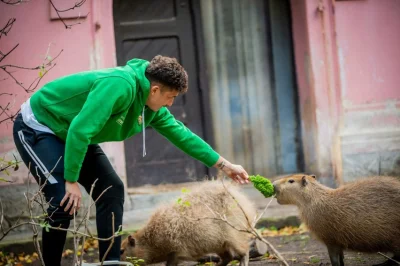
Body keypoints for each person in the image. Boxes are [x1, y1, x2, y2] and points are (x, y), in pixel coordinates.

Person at [12, 55, 249, 265]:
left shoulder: (151, 108)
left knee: (112, 188)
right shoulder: (119, 85)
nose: (171, 104)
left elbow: (183, 136)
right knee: (61, 201)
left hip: (74, 132)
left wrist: (225, 165)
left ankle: (111, 261)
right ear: (154, 90)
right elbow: (80, 130)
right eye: (170, 97)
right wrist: (71, 180)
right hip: (40, 126)